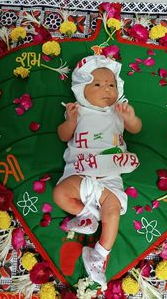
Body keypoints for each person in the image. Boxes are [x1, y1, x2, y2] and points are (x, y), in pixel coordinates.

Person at [53, 55, 142, 289]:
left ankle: (99, 256)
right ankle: (87, 215)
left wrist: (130, 119)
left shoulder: (118, 111)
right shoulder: (78, 111)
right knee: (60, 193)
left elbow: (135, 129)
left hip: (110, 175)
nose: (106, 89)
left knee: (113, 213)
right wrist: (71, 121)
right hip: (81, 171)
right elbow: (63, 136)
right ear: (82, 89)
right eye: (98, 84)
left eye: (111, 84)